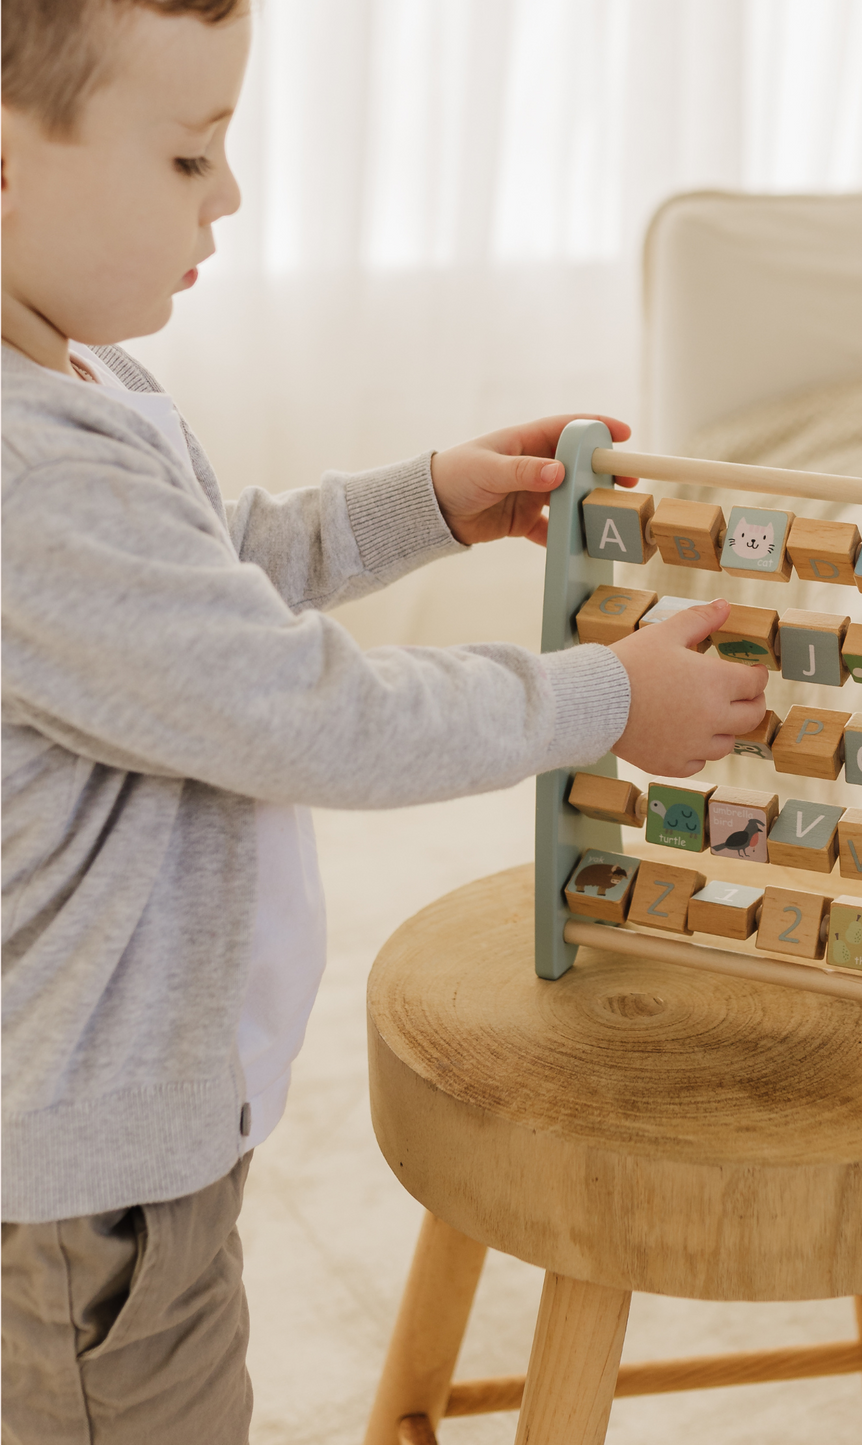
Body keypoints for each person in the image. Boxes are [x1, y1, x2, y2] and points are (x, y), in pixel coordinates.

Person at [0, 2, 768, 1439]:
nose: (229, 195)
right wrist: (607, 699)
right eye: (187, 158)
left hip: (115, 1137)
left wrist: (420, 502)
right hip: (82, 1192)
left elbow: (203, 573)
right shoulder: (25, 475)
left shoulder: (72, 381)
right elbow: (310, 718)